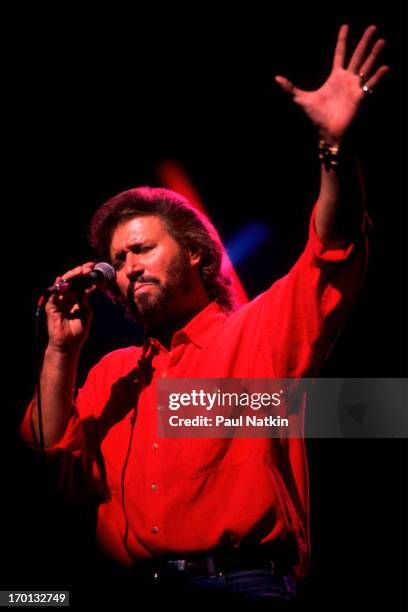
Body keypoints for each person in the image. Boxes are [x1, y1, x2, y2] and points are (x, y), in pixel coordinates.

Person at [20, 25, 388, 605]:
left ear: (194, 251)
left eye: (142, 249)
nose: (128, 266)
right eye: (117, 259)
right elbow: (52, 467)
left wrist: (335, 150)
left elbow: (333, 251)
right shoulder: (111, 376)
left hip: (240, 583)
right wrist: (60, 350)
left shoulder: (256, 334)